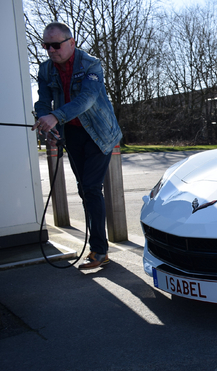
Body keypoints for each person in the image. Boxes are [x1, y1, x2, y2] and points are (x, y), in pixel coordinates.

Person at [33, 22, 122, 270]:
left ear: (71, 43)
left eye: (56, 45)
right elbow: (42, 101)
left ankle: (99, 250)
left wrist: (56, 116)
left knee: (92, 188)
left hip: (99, 133)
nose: (51, 50)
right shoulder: (45, 70)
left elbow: (88, 99)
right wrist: (45, 121)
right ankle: (99, 246)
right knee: (84, 189)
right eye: (46, 45)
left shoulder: (91, 64)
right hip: (72, 134)